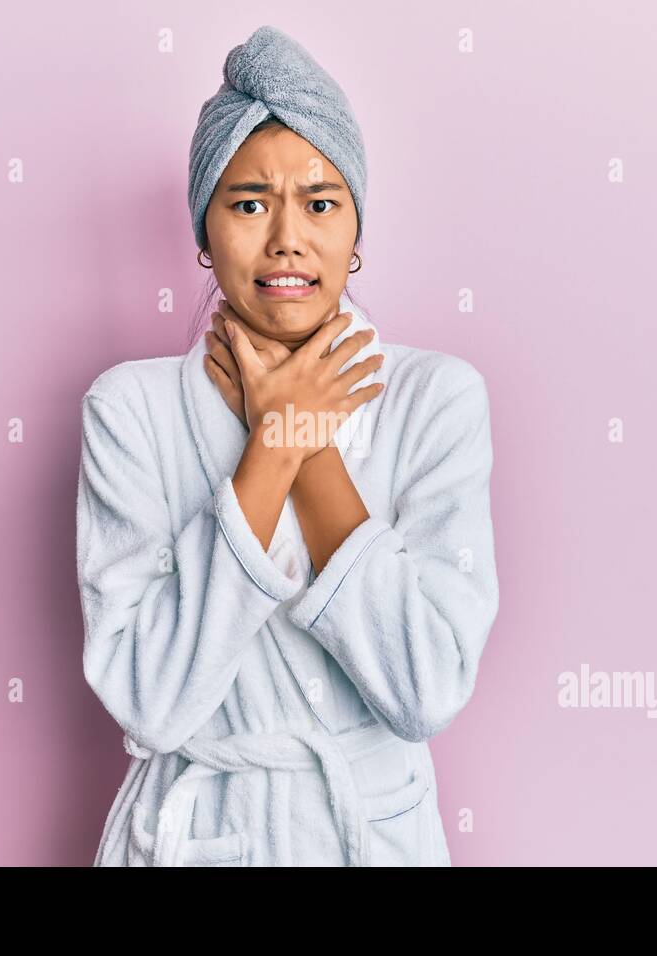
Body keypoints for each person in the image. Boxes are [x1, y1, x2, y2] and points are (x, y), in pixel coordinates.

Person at [76, 25, 499, 866]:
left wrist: (304, 437)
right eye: (247, 203)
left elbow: (426, 689)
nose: (286, 240)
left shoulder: (436, 400)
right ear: (203, 232)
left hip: (370, 837)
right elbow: (149, 704)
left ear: (358, 230)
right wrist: (269, 448)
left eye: (319, 201)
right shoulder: (130, 410)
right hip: (193, 837)